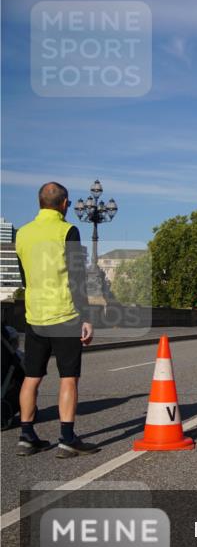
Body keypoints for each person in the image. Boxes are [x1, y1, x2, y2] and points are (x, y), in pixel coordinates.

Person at [14, 182, 98, 458]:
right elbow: (76, 278)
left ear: (39, 202)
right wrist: (85, 317)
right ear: (64, 204)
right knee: (68, 378)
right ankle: (67, 438)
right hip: (64, 314)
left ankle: (26, 435)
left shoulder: (23, 233)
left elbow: (25, 277)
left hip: (34, 313)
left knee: (31, 376)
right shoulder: (67, 230)